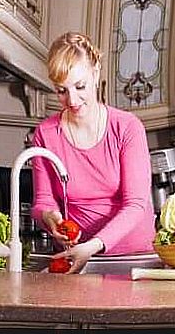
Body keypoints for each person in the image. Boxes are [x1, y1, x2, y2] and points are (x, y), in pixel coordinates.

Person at [30, 32, 156, 273]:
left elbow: (136, 204)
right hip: (78, 259)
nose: (72, 100)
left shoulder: (127, 127)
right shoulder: (46, 134)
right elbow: (43, 200)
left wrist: (92, 246)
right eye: (61, 91)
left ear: (96, 73)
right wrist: (51, 217)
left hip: (134, 260)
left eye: (80, 86)